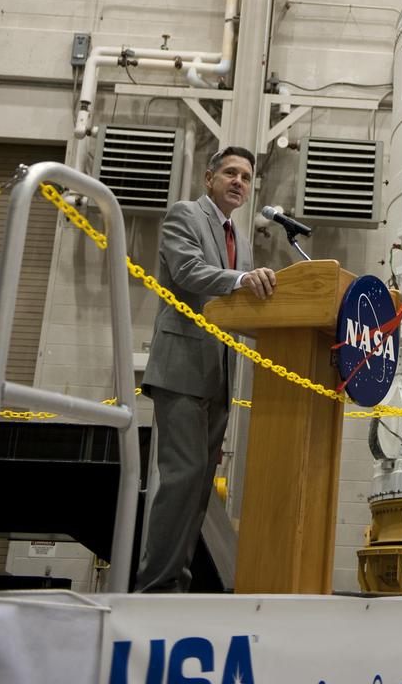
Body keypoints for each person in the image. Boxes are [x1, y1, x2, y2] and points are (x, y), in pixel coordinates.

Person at [134, 145, 277, 593]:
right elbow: (188, 271)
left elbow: (243, 308)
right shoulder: (186, 215)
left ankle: (176, 583)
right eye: (231, 173)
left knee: (199, 487)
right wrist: (241, 279)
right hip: (181, 368)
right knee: (182, 479)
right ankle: (154, 588)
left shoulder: (243, 240)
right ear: (209, 179)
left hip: (219, 376)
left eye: (246, 177)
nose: (239, 182)